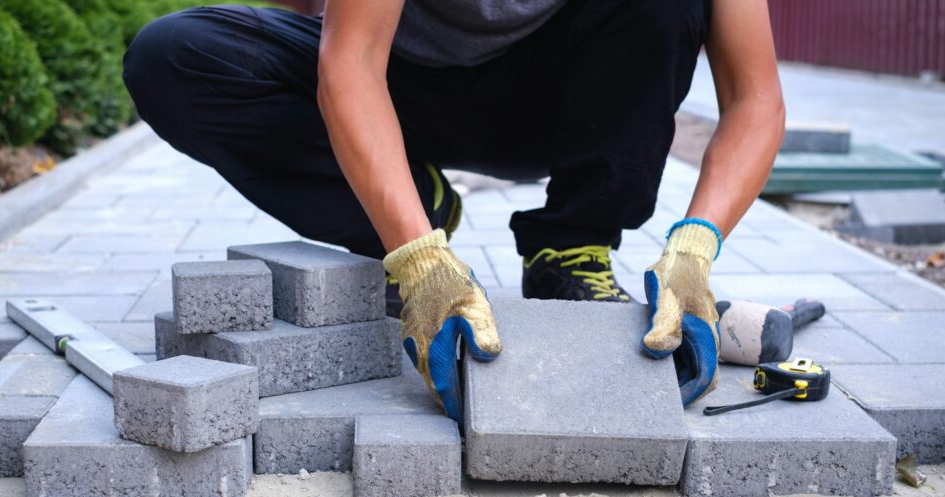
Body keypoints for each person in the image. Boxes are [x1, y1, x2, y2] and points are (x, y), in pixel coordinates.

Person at [123, 0, 785, 420]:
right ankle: (415, 206)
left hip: (560, 95)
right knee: (171, 57)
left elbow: (756, 101)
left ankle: (571, 244)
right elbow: (349, 65)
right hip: (397, 81)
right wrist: (420, 261)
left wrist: (696, 249)